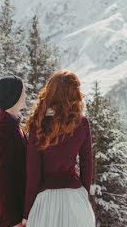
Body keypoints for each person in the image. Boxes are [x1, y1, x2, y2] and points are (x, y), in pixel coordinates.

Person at [22, 70, 95, 227]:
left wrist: (27, 213)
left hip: (45, 202)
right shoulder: (82, 123)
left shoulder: (39, 123)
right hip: (76, 200)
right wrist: (84, 194)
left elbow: (33, 172)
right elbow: (87, 164)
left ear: (51, 92)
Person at [0, 76, 29, 227]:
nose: (25, 94)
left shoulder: (11, 124)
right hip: (3, 218)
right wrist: (13, 220)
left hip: (9, 215)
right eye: (23, 91)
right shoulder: (1, 129)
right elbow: (0, 178)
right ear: (14, 96)